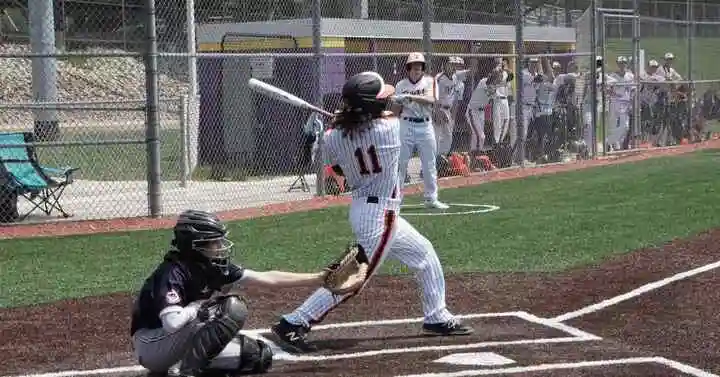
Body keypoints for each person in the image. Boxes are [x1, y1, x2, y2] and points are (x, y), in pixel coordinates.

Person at [270, 71, 473, 354]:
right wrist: (348, 120)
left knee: (424, 254)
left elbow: (339, 165)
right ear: (371, 106)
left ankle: (436, 316)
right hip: (380, 216)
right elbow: (382, 115)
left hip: (367, 209)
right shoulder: (389, 127)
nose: (387, 100)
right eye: (381, 98)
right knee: (355, 277)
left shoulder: (333, 137)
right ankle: (294, 323)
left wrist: (341, 123)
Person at [131, 209, 331, 377]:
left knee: (256, 356)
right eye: (214, 242)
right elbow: (172, 323)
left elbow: (268, 278)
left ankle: (182, 367)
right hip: (152, 345)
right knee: (230, 309)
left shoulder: (212, 267)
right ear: (196, 245)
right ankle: (189, 372)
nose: (220, 247)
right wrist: (195, 308)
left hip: (178, 339)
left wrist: (319, 278)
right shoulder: (172, 273)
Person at [394, 52, 448, 209]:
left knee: (429, 163)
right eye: (413, 66)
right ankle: (396, 199)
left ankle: (431, 198)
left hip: (425, 125)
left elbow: (431, 100)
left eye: (419, 66)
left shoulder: (430, 81)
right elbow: (397, 108)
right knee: (400, 163)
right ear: (408, 68)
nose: (416, 69)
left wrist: (410, 98)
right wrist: (396, 103)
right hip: (405, 124)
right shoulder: (400, 85)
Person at [434, 56, 471, 156]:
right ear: (444, 66)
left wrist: (453, 118)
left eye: (454, 65)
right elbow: (433, 97)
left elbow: (455, 100)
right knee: (436, 137)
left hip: (448, 111)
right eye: (450, 64)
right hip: (438, 109)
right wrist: (437, 112)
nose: (453, 67)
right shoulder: (438, 78)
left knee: (448, 137)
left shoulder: (455, 77)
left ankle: (442, 159)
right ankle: (434, 160)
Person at [607, 56, 635, 151]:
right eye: (620, 63)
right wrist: (615, 94)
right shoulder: (612, 76)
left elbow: (633, 90)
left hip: (625, 103)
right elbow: (607, 90)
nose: (622, 65)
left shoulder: (630, 76)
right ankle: (615, 145)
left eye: (624, 63)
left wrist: (631, 99)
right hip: (615, 101)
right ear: (617, 64)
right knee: (613, 124)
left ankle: (608, 141)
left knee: (625, 126)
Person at [466, 76, 490, 153]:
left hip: (481, 112)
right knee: (480, 136)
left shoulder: (495, 87)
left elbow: (489, 102)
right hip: (472, 111)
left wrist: (488, 117)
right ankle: (478, 154)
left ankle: (474, 157)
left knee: (475, 137)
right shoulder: (483, 81)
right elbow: (488, 88)